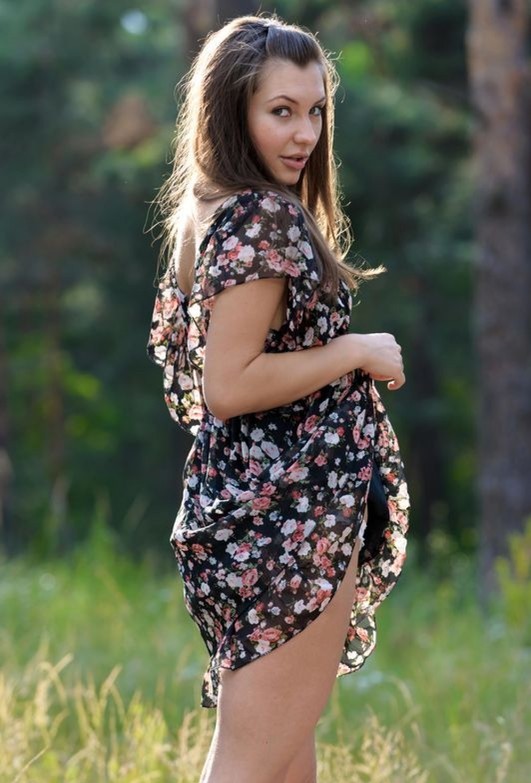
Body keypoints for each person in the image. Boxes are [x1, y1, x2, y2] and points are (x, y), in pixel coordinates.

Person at [146, 13, 410, 783]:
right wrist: (355, 350)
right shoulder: (261, 216)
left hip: (257, 513)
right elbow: (229, 385)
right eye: (281, 111)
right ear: (234, 110)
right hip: (288, 522)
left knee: (287, 768)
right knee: (249, 765)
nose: (303, 134)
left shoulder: (209, 210)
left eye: (315, 110)